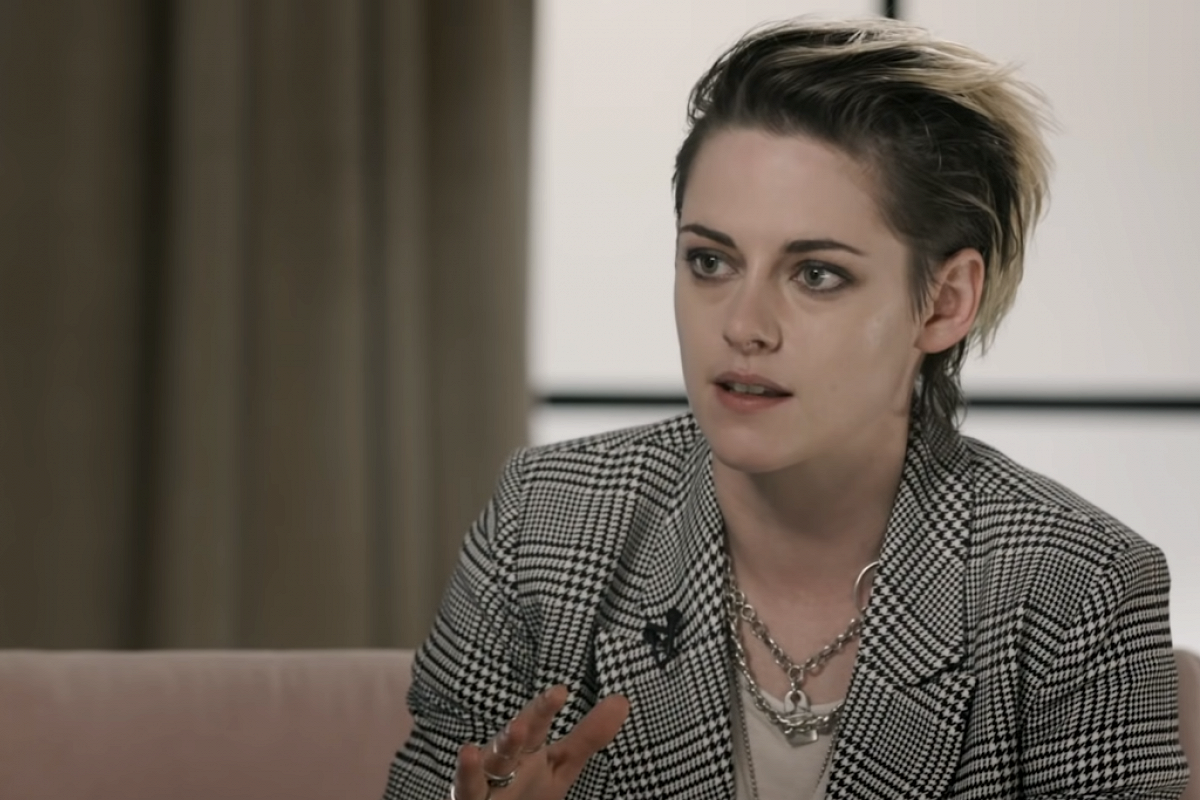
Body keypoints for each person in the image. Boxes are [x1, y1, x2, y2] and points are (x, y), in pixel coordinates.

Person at [383, 16, 1188, 800]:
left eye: (816, 275)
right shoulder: (544, 526)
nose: (743, 325)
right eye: (710, 261)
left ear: (945, 302)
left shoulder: (1077, 585)